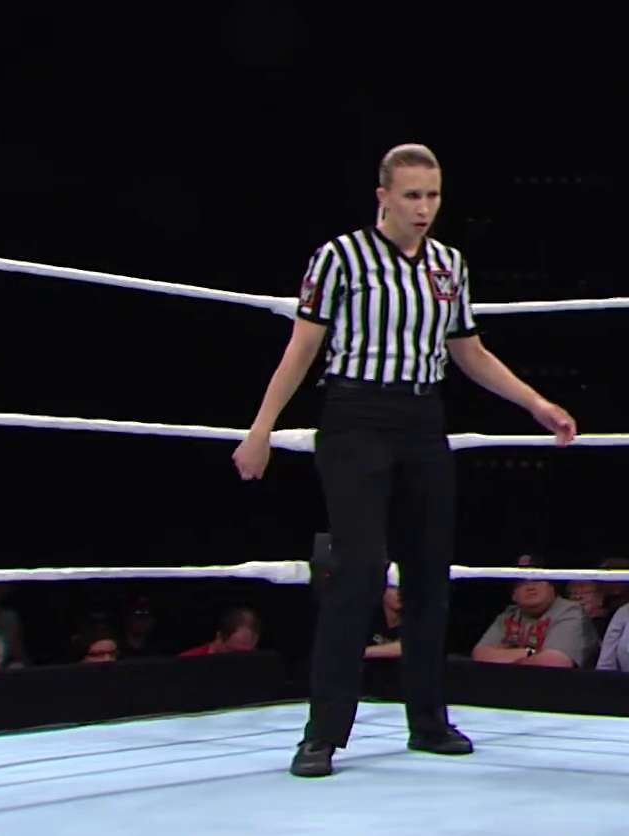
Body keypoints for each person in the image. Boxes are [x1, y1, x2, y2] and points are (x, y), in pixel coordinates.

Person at [231, 142, 577, 779]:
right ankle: (322, 733)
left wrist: (535, 403)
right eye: (412, 195)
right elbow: (302, 346)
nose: (424, 208)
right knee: (359, 570)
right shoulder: (340, 257)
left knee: (428, 576)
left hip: (422, 418)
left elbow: (469, 350)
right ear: (383, 197)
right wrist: (261, 430)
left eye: (433, 195)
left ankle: (428, 720)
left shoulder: (449, 264)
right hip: (356, 416)